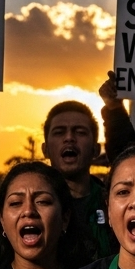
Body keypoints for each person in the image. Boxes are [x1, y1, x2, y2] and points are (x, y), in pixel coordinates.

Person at [42, 100, 113, 257]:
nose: (69, 138)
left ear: (96, 149)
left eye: (80, 132)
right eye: (59, 132)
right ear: (45, 149)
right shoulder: (31, 208)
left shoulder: (114, 205)